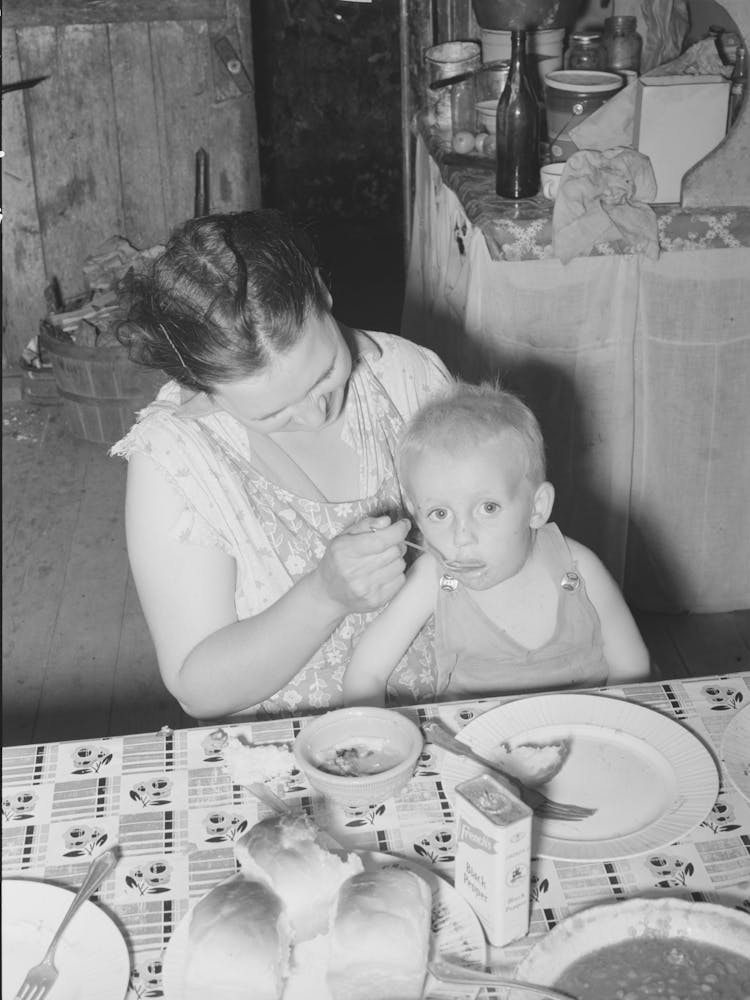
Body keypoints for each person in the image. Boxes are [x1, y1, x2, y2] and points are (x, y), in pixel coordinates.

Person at [111, 210, 451, 720]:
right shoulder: (174, 461)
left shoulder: (408, 376)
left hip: (458, 704)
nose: (317, 414)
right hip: (291, 746)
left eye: (326, 372)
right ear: (203, 388)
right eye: (273, 413)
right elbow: (199, 690)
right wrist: (324, 596)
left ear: (323, 292)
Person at [343, 381, 651, 706]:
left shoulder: (579, 570)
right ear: (417, 516)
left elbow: (632, 667)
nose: (461, 536)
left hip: (584, 726)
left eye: (488, 508)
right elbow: (367, 673)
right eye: (440, 513)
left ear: (537, 507)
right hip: (471, 734)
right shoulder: (434, 579)